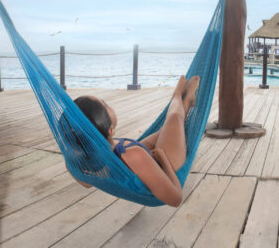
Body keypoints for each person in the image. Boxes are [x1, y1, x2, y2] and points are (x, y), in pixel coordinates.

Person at [68, 75, 199, 207]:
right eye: (105, 105)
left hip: (133, 157)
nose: (109, 105)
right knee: (174, 116)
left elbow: (86, 183)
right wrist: (162, 159)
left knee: (166, 128)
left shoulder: (82, 157)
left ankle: (186, 104)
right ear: (110, 130)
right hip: (166, 169)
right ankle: (178, 97)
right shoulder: (134, 155)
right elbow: (175, 199)